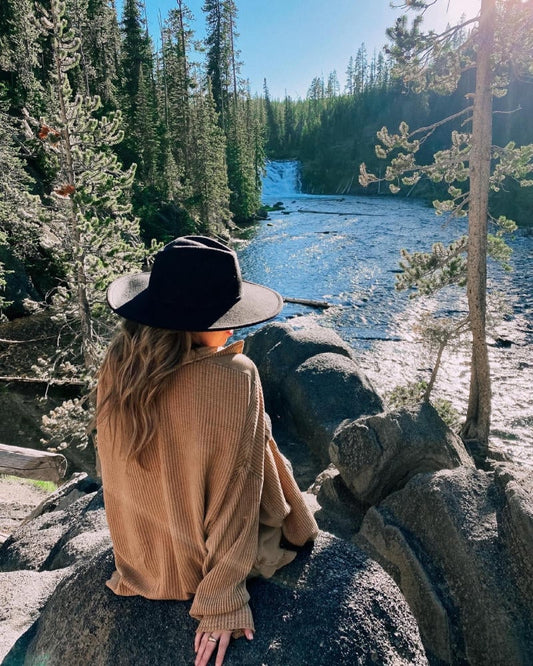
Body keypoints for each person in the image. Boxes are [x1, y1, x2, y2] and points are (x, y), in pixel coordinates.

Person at [96, 236, 318, 666]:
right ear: (191, 320)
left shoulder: (120, 365)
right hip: (198, 565)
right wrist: (222, 598)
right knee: (259, 447)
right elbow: (238, 488)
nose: (235, 326)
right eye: (225, 316)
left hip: (140, 560)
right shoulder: (234, 377)